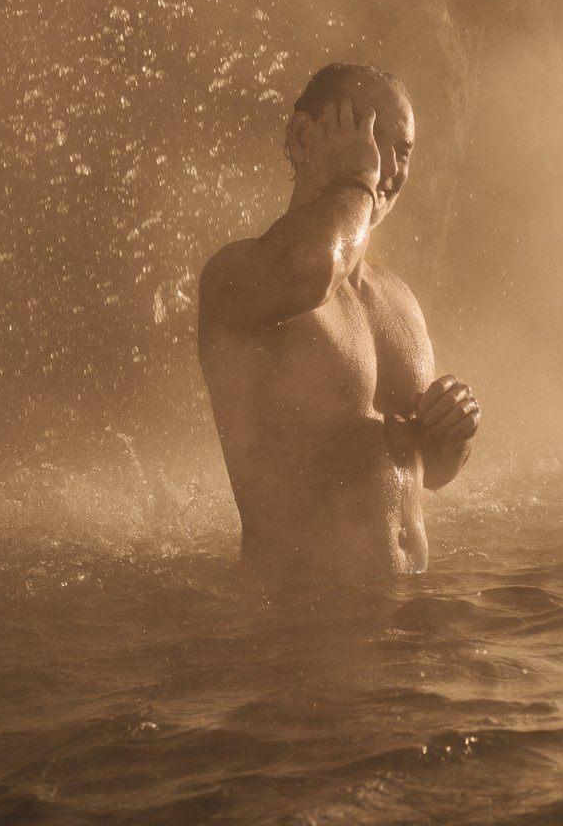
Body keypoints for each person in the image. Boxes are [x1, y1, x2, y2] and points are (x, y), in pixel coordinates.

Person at [198, 63, 481, 586]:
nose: (387, 166)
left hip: (405, 612)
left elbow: (427, 474)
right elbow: (309, 269)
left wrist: (451, 436)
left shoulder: (399, 300)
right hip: (295, 624)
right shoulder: (240, 275)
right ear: (304, 138)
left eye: (403, 149)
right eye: (371, 137)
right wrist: (356, 179)